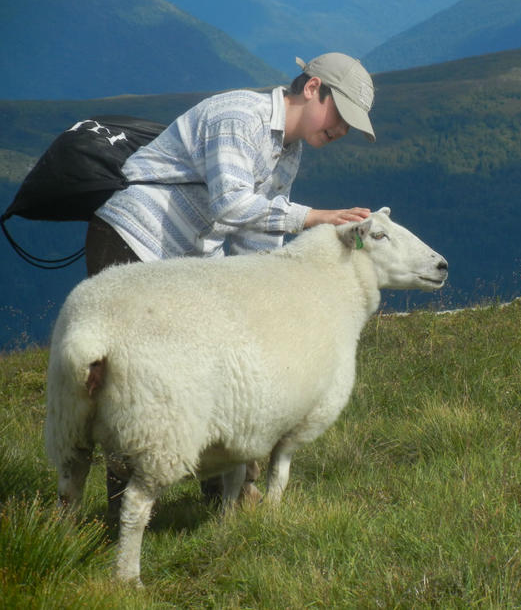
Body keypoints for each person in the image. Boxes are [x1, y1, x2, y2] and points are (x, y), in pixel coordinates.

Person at [84, 52, 377, 517]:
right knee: (127, 381)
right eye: (340, 114)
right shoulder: (238, 116)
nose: (341, 130)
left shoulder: (289, 151)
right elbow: (232, 207)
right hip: (132, 242)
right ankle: (115, 516)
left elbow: (256, 233)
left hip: (186, 267)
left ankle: (218, 502)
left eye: (350, 125)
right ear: (312, 88)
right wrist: (314, 218)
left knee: (206, 378)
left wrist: (266, 299)